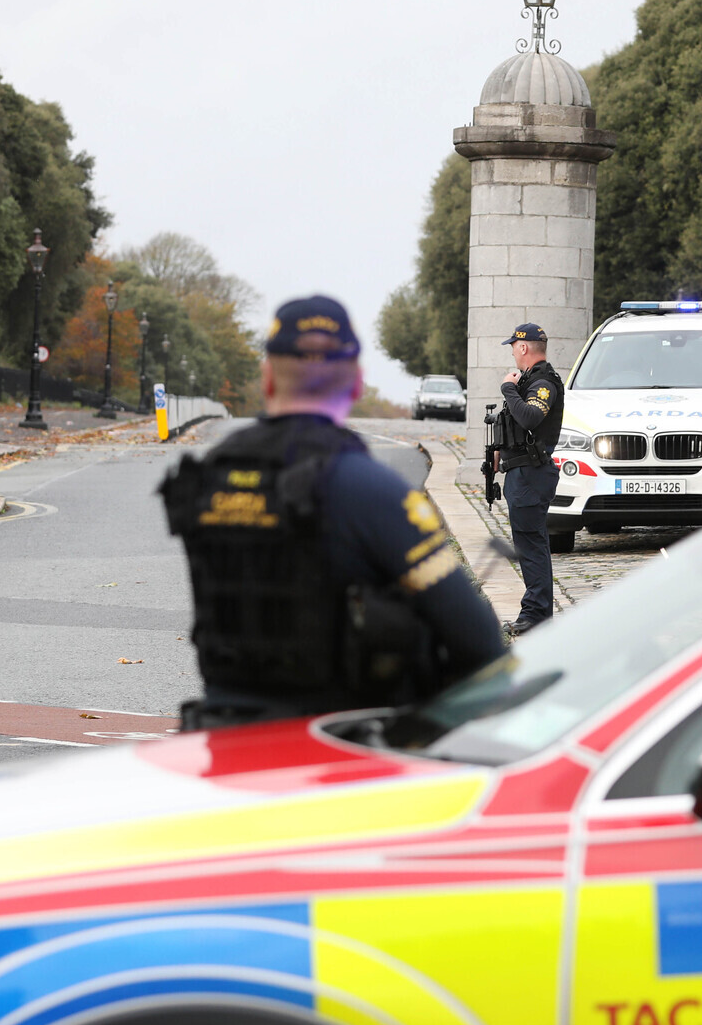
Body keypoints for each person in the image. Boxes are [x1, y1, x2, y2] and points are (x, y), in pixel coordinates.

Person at [162, 296, 504, 729]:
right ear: (356, 383)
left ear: (268, 378)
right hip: (334, 745)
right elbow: (478, 641)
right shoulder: (369, 489)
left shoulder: (209, 475)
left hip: (222, 737)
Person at [496, 322, 565, 636]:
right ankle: (536, 613)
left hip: (531, 475)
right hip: (523, 474)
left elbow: (531, 417)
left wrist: (508, 389)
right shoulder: (529, 380)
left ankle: (535, 615)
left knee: (531, 546)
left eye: (514, 346)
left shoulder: (543, 383)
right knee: (530, 544)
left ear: (523, 347)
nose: (513, 352)